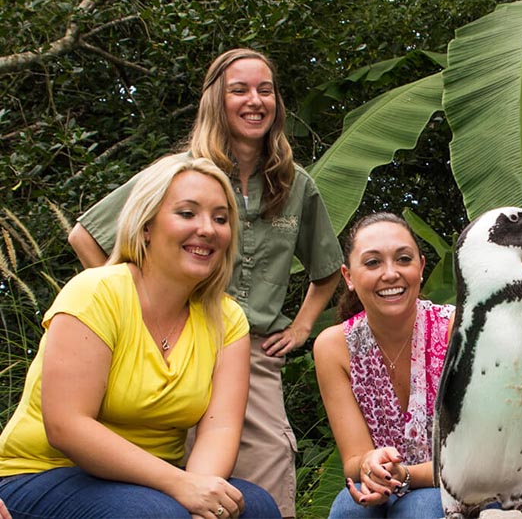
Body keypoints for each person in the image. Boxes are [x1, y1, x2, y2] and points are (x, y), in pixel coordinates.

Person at [67, 48, 344, 517]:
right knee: (166, 484)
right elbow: (85, 235)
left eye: (265, 90)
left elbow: (328, 269)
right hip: (174, 344)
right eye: (239, 90)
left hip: (253, 353)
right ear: (217, 99)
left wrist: (300, 328)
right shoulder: (180, 175)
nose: (254, 100)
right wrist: (126, 308)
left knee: (266, 487)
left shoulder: (294, 184)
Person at [0, 155, 280, 518]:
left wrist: (200, 498)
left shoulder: (227, 318)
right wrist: (180, 487)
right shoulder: (96, 292)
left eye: (221, 218)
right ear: (146, 225)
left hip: (153, 481)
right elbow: (66, 426)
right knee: (154, 515)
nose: (208, 229)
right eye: (187, 213)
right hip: (45, 472)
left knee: (255, 507)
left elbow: (220, 428)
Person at [313, 213, 454, 518]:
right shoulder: (333, 346)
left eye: (403, 259)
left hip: (459, 483)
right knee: (350, 510)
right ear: (348, 277)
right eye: (373, 263)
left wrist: (404, 475)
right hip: (386, 485)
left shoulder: (456, 327)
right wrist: (370, 464)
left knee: (421, 510)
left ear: (420, 268)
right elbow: (353, 457)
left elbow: (482, 456)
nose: (390, 274)